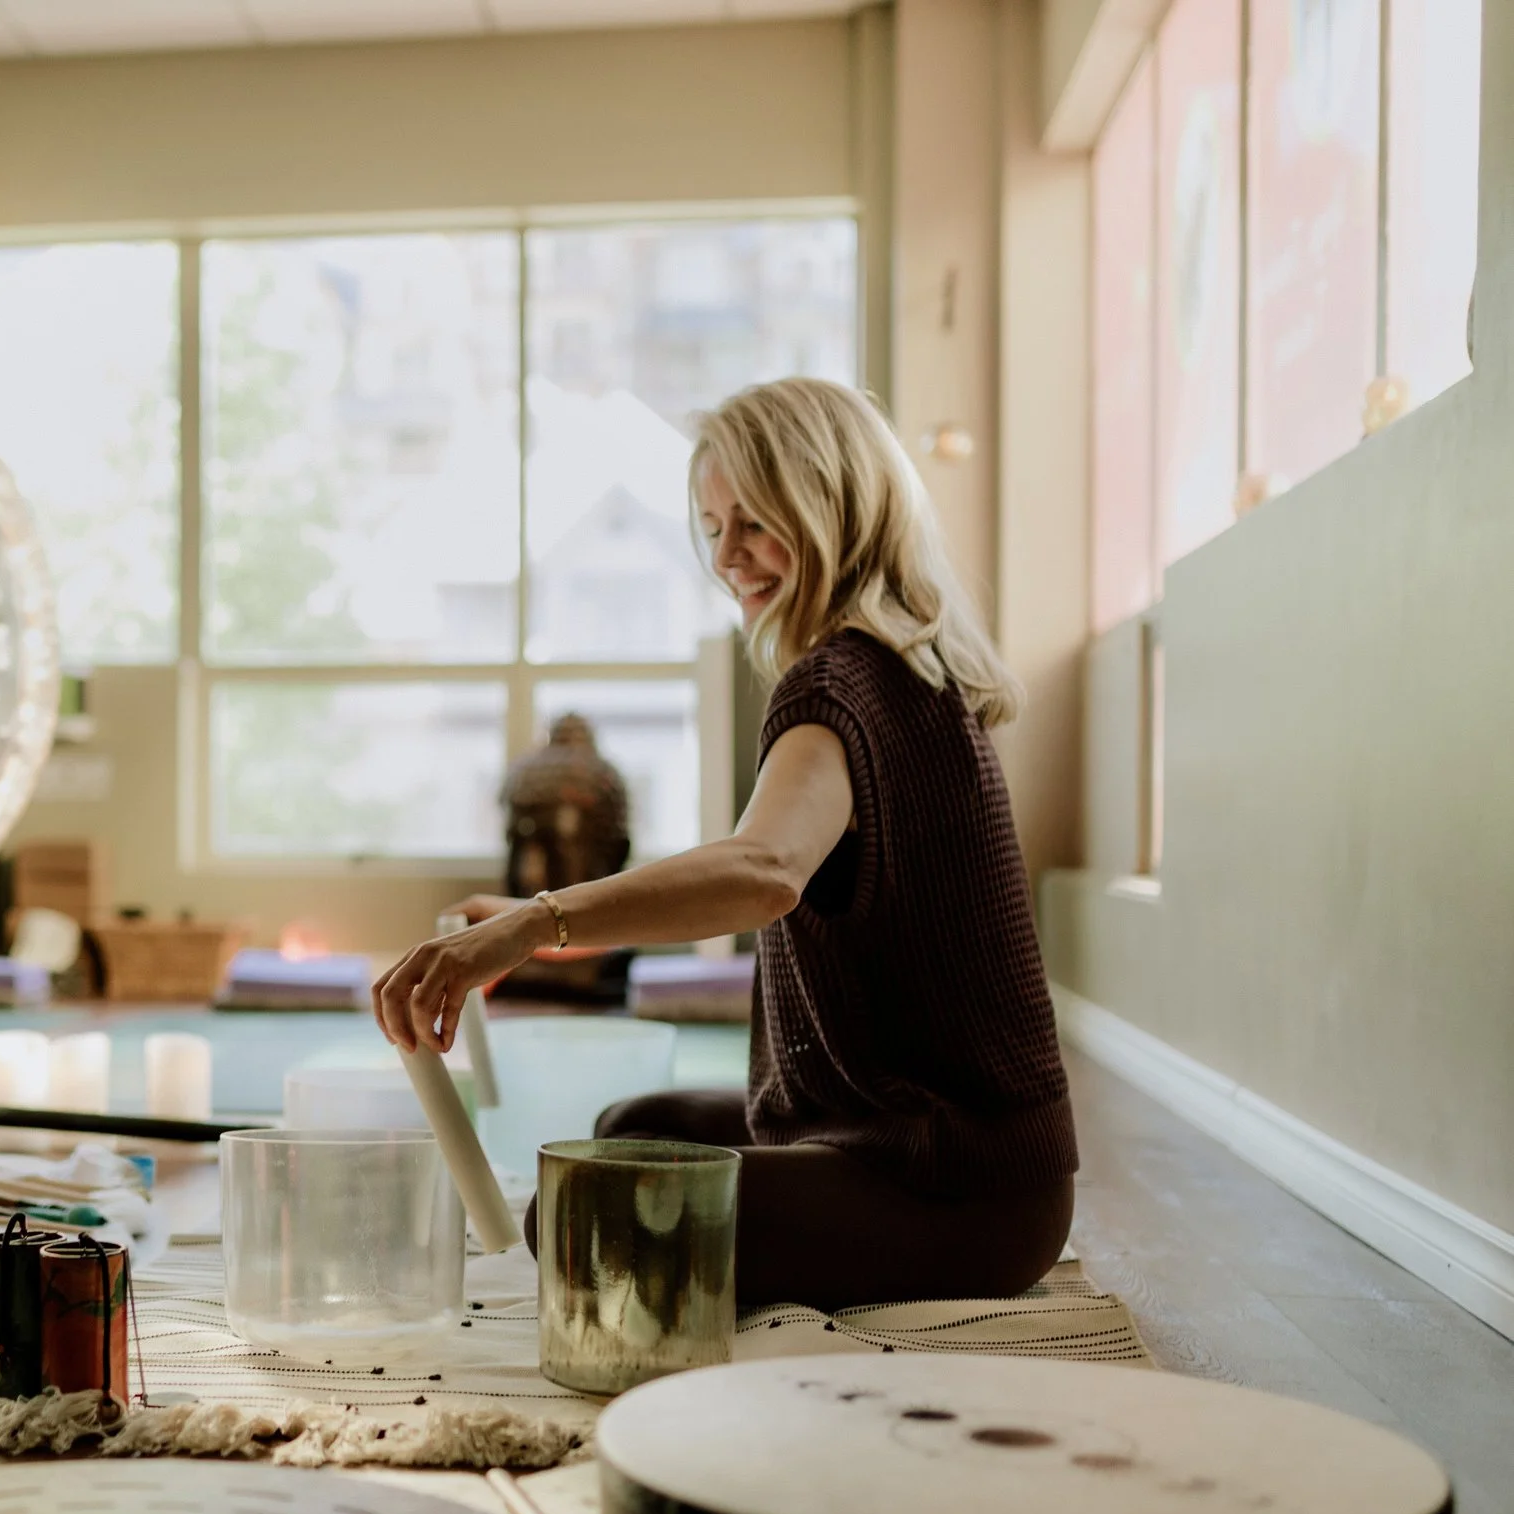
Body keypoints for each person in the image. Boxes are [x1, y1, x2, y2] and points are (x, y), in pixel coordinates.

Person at [373, 378, 1074, 1310]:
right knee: (631, 1129)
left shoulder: (841, 680)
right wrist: (544, 921)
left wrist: (536, 925)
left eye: (755, 521)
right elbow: (763, 863)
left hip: (955, 1189)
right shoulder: (904, 668)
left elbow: (763, 870)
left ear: (833, 507)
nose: (728, 557)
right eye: (713, 527)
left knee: (575, 1216)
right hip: (952, 1159)